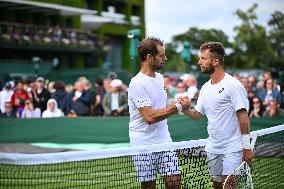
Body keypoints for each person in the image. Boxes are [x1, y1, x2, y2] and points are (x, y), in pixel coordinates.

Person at [181, 42, 253, 189]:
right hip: (213, 148)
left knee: (228, 187)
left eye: (203, 58)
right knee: (217, 187)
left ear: (215, 61)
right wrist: (185, 108)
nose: (199, 62)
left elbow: (243, 118)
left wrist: (246, 148)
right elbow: (197, 115)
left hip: (233, 148)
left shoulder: (233, 85)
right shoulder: (205, 88)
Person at [128, 37, 190, 189]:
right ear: (149, 58)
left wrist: (178, 103)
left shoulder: (160, 78)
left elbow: (160, 106)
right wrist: (177, 107)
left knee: (174, 183)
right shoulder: (137, 83)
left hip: (164, 139)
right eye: (161, 55)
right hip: (142, 142)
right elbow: (149, 116)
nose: (165, 58)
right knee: (149, 186)